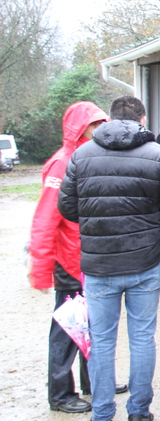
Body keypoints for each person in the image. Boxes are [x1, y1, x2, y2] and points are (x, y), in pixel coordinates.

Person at [58, 95, 160, 421]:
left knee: (102, 341)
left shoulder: (82, 155)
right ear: (142, 120)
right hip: (145, 261)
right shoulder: (158, 155)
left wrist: (96, 222)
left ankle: (102, 412)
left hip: (99, 264)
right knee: (142, 338)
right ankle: (139, 411)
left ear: (111, 118)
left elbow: (68, 207)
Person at [28, 102, 108, 414]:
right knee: (66, 331)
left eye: (102, 123)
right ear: (79, 127)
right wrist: (41, 270)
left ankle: (93, 382)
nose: (100, 129)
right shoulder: (62, 163)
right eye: (94, 124)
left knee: (93, 325)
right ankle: (60, 394)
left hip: (90, 259)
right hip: (70, 263)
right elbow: (45, 220)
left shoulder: (89, 156)